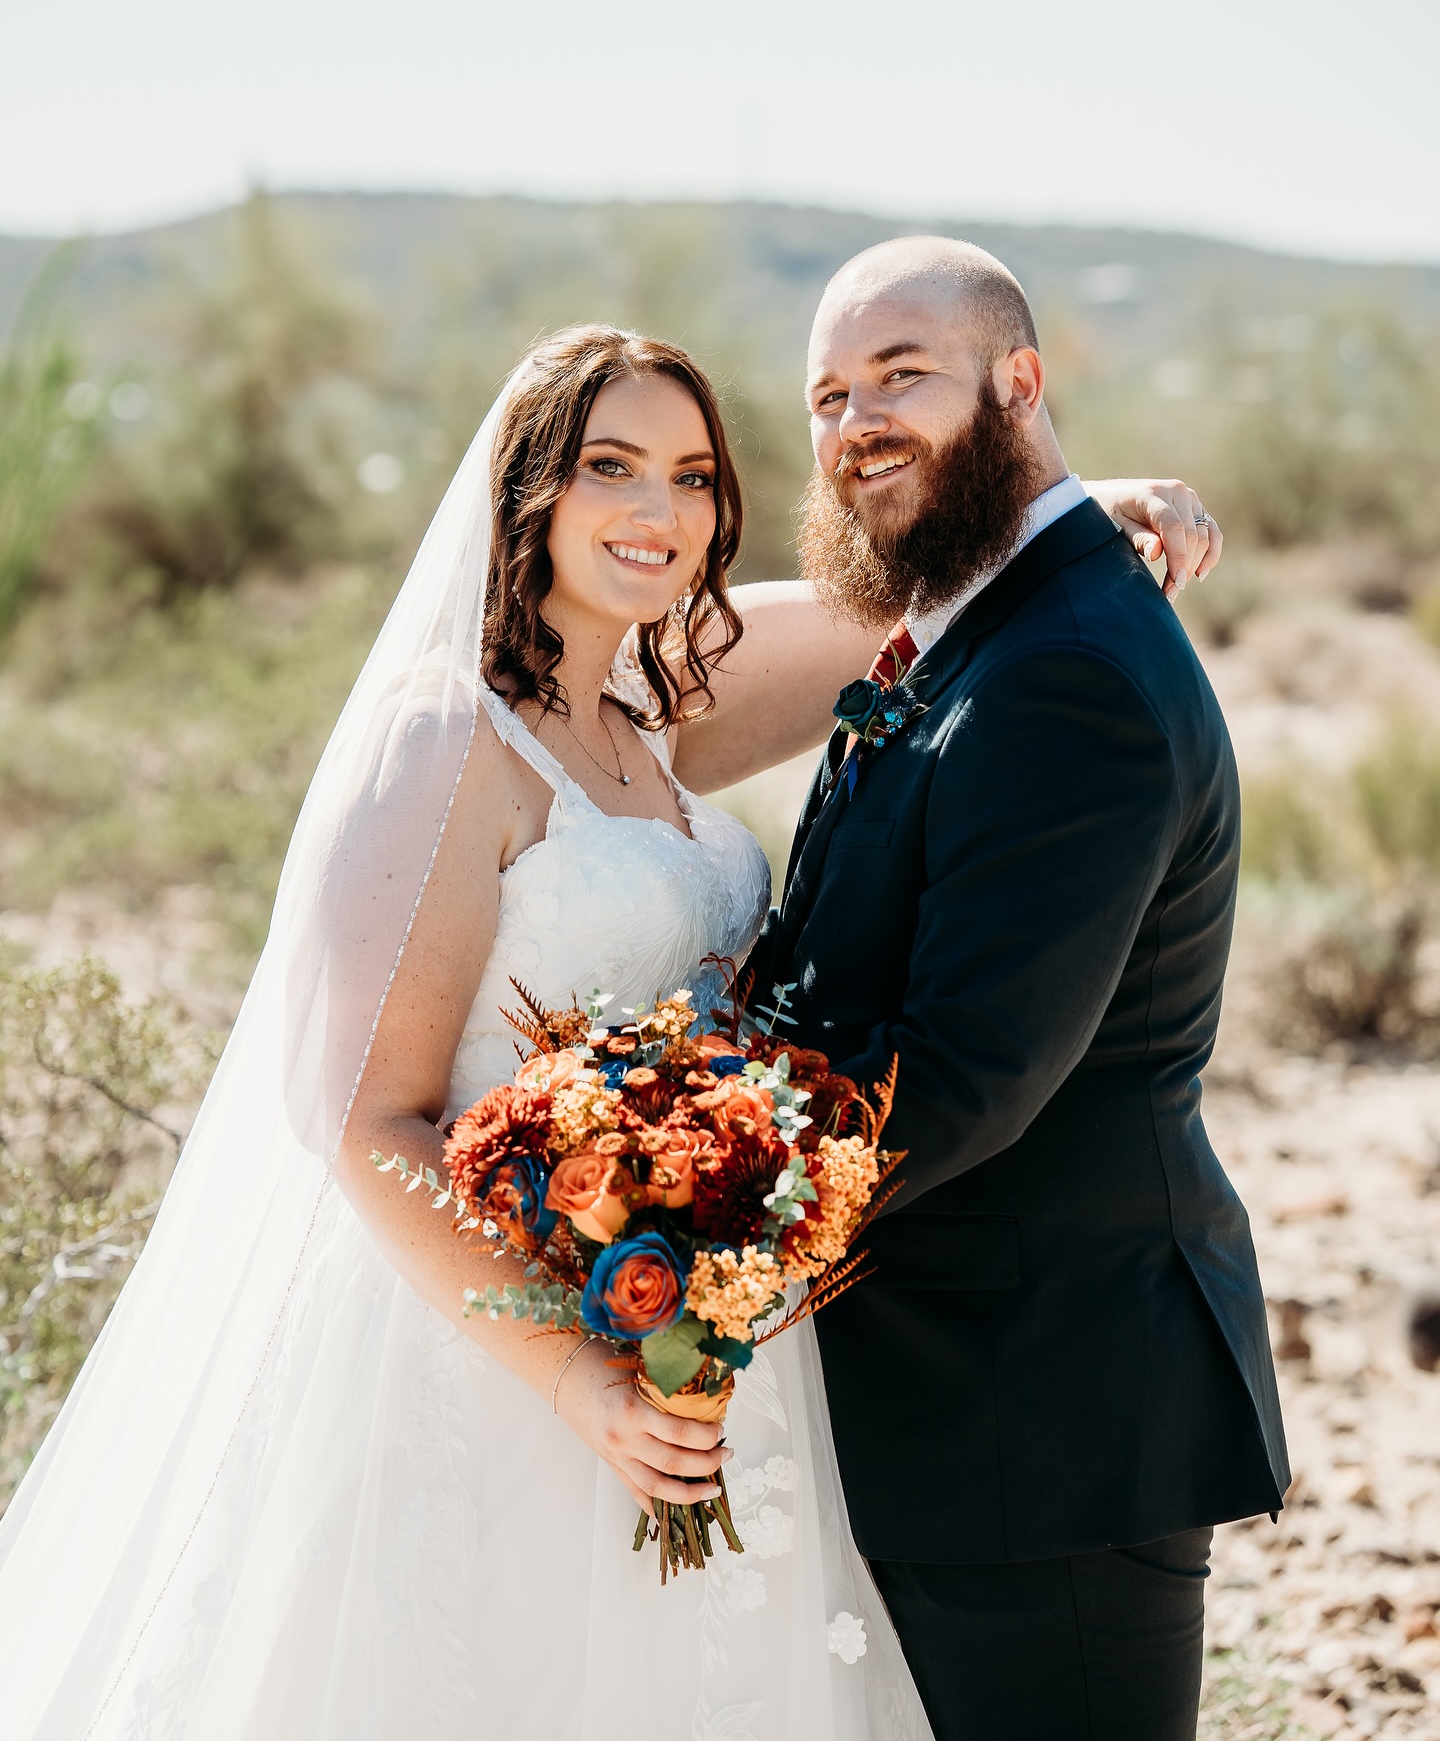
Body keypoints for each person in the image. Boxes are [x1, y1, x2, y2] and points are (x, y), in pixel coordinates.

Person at [0, 319, 1216, 1740]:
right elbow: (354, 1114)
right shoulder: (447, 742)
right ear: (530, 494)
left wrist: (1069, 515)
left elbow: (906, 601)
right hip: (494, 1363)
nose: (662, 512)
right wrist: (579, 1377)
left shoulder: (642, 714)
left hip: (680, 1341)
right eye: (612, 468)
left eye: (696, 475)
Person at [759, 238, 1290, 1741]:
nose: (858, 415)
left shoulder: (1064, 666)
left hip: (1045, 1409)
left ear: (1021, 382)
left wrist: (706, 1228)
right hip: (961, 1393)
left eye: (902, 372)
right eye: (829, 391)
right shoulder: (981, 625)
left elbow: (970, 1069)